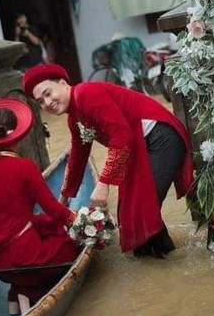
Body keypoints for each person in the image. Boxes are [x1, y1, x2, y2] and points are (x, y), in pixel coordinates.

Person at [23, 64, 194, 258]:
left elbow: (122, 137)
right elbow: (78, 156)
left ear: (63, 83)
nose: (47, 103)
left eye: (48, 93)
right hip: (139, 148)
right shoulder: (74, 118)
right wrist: (64, 198)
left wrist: (103, 184)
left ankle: (168, 260)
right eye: (40, 102)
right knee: (127, 213)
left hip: (161, 138)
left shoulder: (88, 93)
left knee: (143, 206)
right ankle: (159, 262)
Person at [0, 98, 79, 312]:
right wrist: (77, 220)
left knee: (41, 226)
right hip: (26, 257)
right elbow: (52, 208)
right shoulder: (26, 167)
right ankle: (28, 292)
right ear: (17, 136)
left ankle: (16, 293)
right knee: (69, 248)